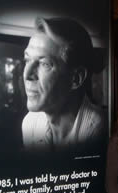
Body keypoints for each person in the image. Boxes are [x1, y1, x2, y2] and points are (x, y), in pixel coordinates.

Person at [22, 17, 106, 153]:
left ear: (76, 79)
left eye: (45, 64)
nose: (27, 75)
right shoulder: (30, 124)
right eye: (27, 60)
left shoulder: (99, 131)